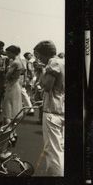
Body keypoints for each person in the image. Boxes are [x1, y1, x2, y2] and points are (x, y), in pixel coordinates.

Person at [33, 39, 64, 176]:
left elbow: (47, 86)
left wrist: (42, 71)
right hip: (61, 108)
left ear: (44, 54)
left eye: (39, 56)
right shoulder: (62, 62)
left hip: (52, 111)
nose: (38, 59)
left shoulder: (53, 63)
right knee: (59, 148)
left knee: (52, 151)